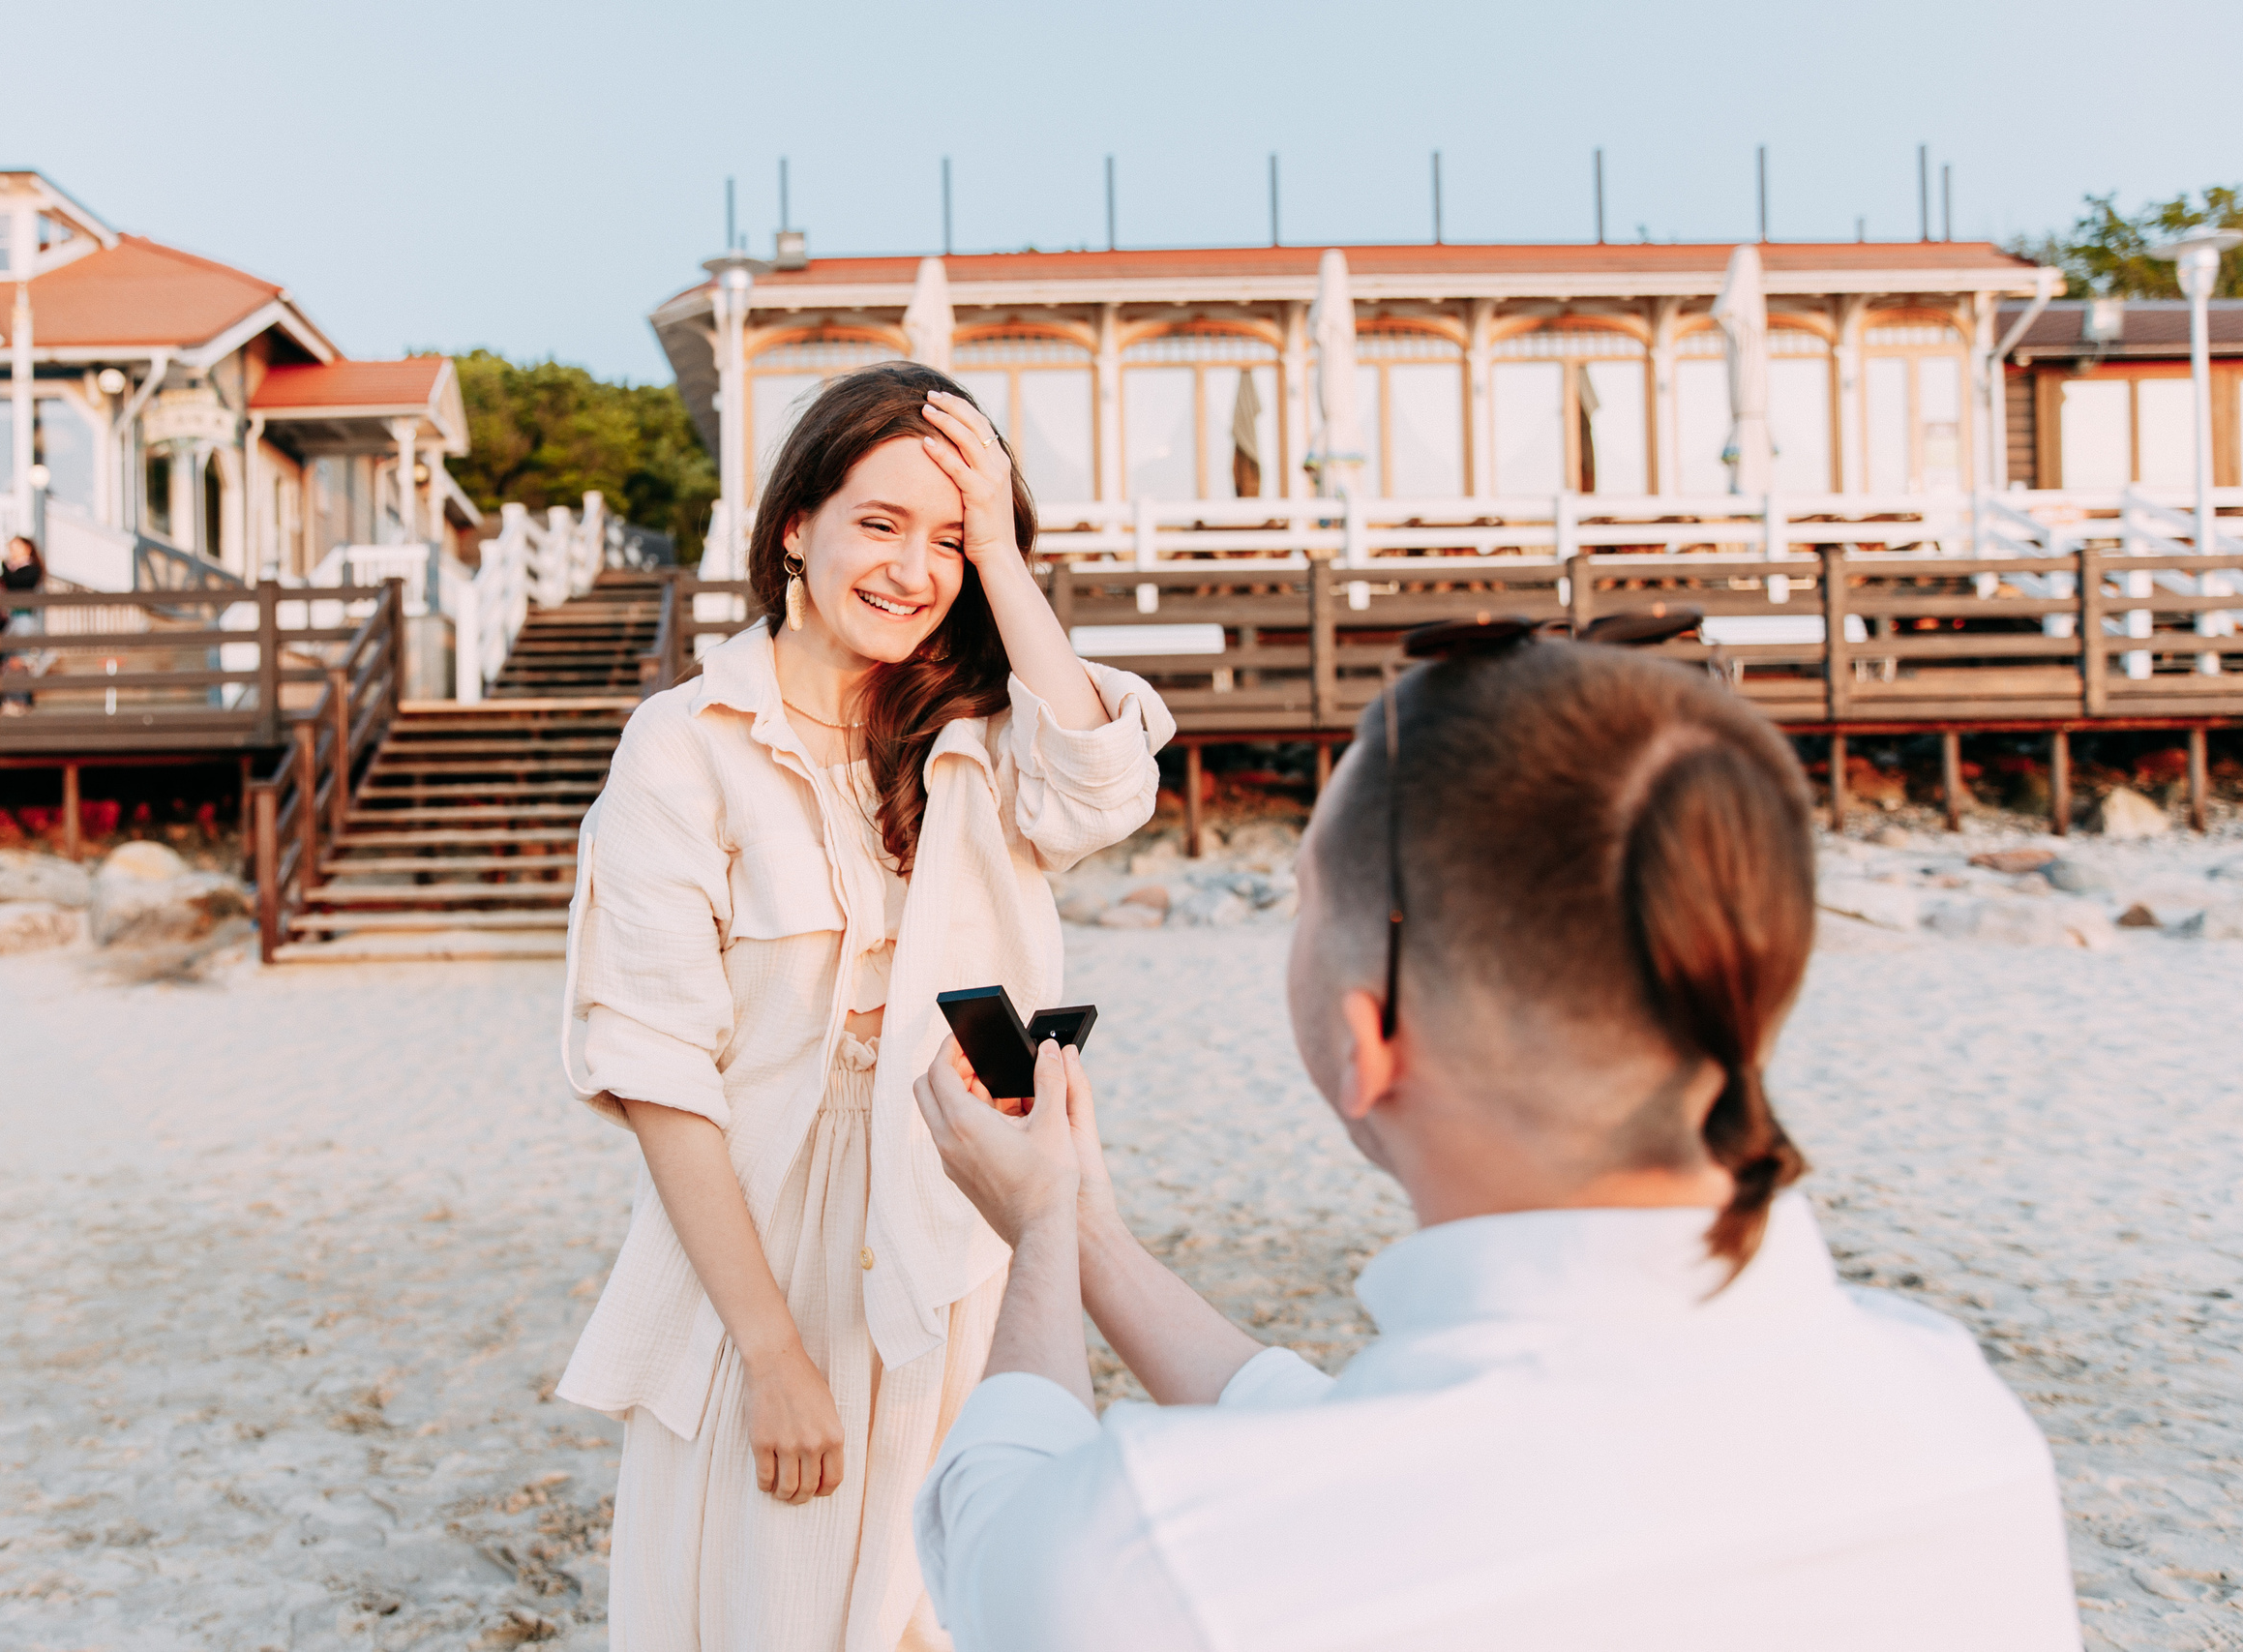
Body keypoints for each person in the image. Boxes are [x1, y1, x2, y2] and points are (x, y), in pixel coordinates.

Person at [910, 639, 2080, 1651]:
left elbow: (997, 1523)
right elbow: (1380, 1456)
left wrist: (1045, 1230)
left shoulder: (1160, 1545)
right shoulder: (1954, 1416)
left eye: (1308, 900)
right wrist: (1091, 1229)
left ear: (1370, 1036)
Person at [554, 361, 1174, 1650]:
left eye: (948, 536)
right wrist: (774, 1352)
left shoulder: (979, 731)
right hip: (761, 1243)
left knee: (938, 1604)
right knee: (758, 1600)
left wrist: (1001, 556)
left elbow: (1105, 791)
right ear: (797, 524)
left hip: (956, 1223)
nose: (912, 567)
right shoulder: (684, 743)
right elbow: (661, 1069)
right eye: (880, 522)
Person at [0, 534, 48, 711]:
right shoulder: (10, 568)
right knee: (6, 661)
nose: (11, 551)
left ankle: (21, 700)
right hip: (11, 621)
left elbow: (15, 581)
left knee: (20, 661)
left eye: (15, 547)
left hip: (24, 620)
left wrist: (1, 566)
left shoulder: (30, 569)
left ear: (27, 548)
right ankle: (9, 700)